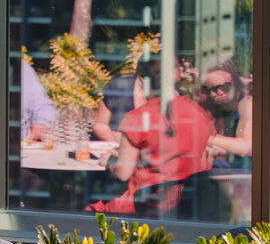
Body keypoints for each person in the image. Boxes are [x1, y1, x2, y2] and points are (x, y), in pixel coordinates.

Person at [88, 59, 218, 218]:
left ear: (144, 82)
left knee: (84, 214)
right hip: (189, 205)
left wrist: (110, 160)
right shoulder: (199, 113)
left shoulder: (137, 118)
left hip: (147, 205)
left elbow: (122, 174)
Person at [197, 58, 252, 160]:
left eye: (224, 87)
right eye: (210, 89)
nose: (218, 93)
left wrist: (204, 138)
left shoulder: (246, 103)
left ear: (234, 82)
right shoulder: (208, 104)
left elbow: (245, 148)